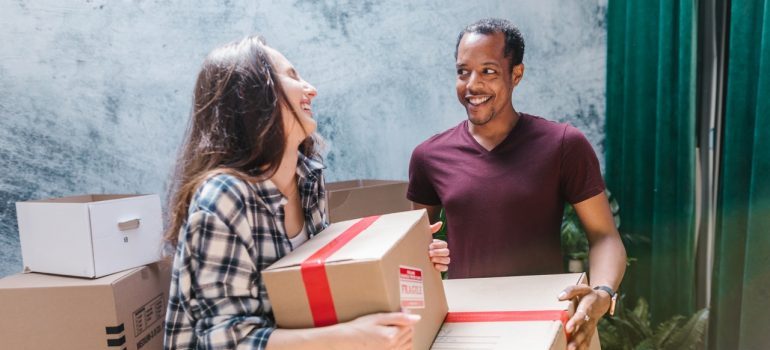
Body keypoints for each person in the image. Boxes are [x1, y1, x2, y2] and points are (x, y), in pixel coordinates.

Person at [163, 35, 450, 350]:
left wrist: (410, 263)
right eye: (291, 76)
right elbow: (225, 343)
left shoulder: (307, 177)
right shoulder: (224, 198)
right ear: (252, 95)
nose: (311, 89)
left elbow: (321, 285)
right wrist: (351, 338)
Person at [407, 18, 626, 350]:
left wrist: (603, 292)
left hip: (541, 324)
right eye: (463, 71)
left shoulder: (563, 144)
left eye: (489, 71)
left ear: (516, 75)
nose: (472, 85)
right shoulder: (429, 156)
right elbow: (413, 254)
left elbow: (605, 236)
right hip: (465, 329)